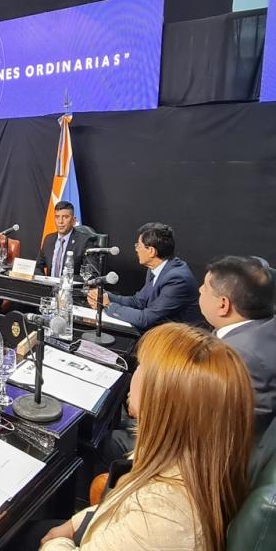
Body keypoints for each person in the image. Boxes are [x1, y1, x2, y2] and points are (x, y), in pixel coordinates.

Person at [39, 323, 253, 551]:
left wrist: (57, 542)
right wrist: (72, 524)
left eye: (142, 366)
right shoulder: (184, 454)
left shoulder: (164, 516)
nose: (135, 372)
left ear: (164, 396)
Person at [199, 255, 276, 437]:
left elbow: (215, 426)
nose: (199, 289)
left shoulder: (236, 355)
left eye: (205, 288)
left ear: (223, 305)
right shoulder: (265, 326)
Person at [87, 222, 201, 330]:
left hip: (179, 341)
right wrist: (104, 295)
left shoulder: (177, 279)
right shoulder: (156, 267)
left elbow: (146, 319)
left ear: (151, 251)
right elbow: (139, 302)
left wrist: (108, 306)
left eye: (138, 245)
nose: (136, 249)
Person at [35, 201, 96, 278]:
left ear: (73, 220)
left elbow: (91, 274)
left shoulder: (85, 242)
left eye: (65, 217)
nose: (60, 221)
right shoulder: (49, 239)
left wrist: (65, 280)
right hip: (48, 287)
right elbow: (37, 267)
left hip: (71, 288)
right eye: (57, 217)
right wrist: (44, 279)